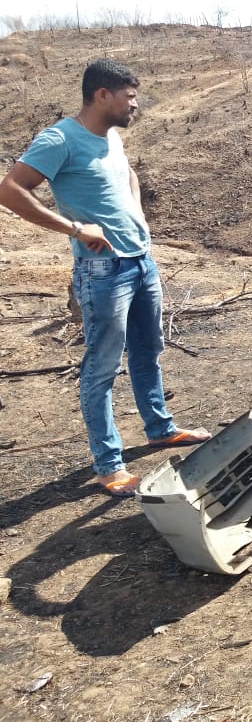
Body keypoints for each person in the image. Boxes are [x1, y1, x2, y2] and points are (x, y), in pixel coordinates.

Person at [0, 58, 210, 496]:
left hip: (139, 261)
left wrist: (137, 214)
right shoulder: (60, 139)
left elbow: (127, 173)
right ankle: (108, 464)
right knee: (102, 367)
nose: (135, 105)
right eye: (129, 97)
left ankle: (159, 428)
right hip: (101, 271)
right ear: (102, 95)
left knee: (148, 349)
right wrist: (74, 228)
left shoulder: (110, 136)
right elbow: (10, 189)